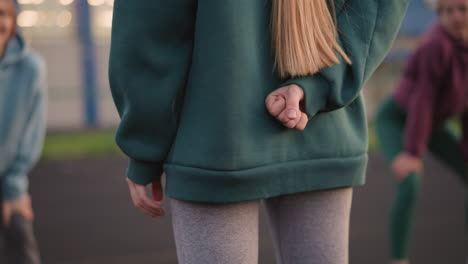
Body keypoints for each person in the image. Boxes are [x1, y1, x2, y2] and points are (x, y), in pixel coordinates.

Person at [109, 0, 409, 263]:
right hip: (323, 131)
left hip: (216, 141)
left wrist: (144, 144)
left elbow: (149, 27)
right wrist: (322, 83)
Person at [374, 0, 468, 263]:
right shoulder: (436, 46)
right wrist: (413, 153)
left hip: (432, 125)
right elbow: (422, 100)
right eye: (447, 11)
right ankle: (399, 259)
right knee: (409, 181)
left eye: (462, 9)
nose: (455, 17)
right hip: (397, 119)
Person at [0, 0, 46, 263]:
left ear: (14, 20)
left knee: (21, 247)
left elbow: (31, 136)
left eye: (2, 14)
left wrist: (13, 190)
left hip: (9, 179)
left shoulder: (31, 68)